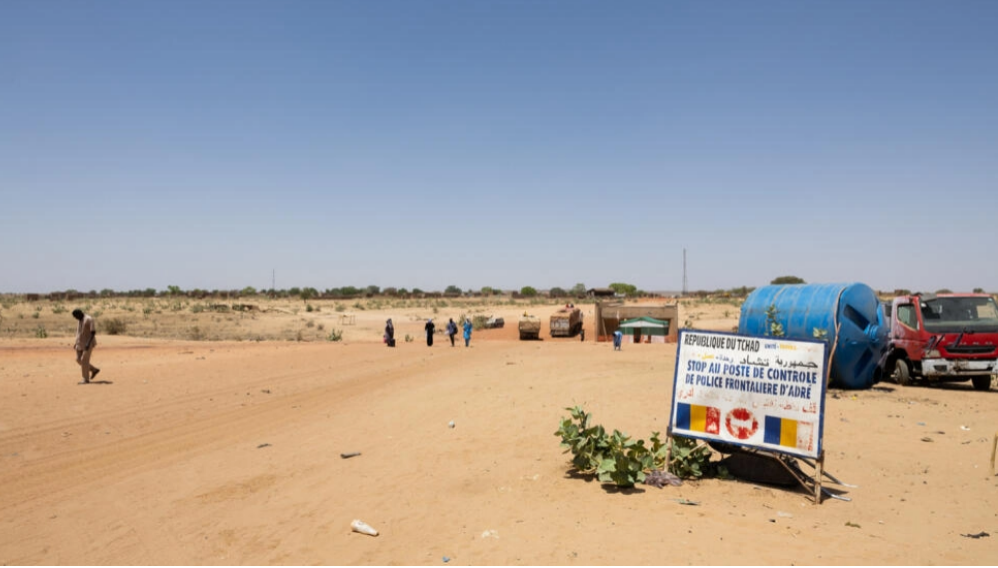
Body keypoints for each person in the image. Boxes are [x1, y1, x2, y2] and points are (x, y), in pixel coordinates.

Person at [72, 309, 100, 384]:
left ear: (80, 313)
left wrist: (88, 343)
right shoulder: (79, 319)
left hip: (88, 343)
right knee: (78, 359)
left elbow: (93, 332)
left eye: (76, 316)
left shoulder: (89, 319)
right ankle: (94, 370)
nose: (76, 318)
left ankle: (85, 379)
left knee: (84, 360)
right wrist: (76, 342)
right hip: (80, 343)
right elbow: (79, 332)